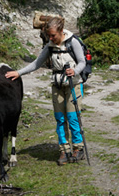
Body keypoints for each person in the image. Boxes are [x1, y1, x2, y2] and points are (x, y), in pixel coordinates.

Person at [5, 15, 86, 166]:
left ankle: (78, 148)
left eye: (53, 35)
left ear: (61, 31)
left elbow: (82, 61)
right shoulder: (49, 45)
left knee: (73, 118)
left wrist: (74, 71)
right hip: (57, 85)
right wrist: (18, 73)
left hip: (74, 84)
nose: (51, 38)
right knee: (60, 119)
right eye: (48, 35)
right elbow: (36, 64)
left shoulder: (73, 41)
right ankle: (64, 150)